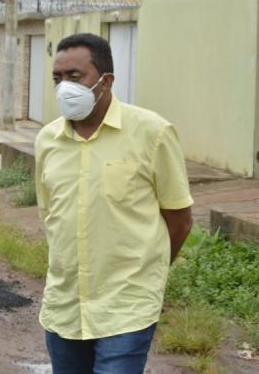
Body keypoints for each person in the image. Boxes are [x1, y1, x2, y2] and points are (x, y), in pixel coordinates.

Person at [35, 33, 193, 374]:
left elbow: (180, 220)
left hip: (127, 303)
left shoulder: (153, 132)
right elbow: (50, 215)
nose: (64, 86)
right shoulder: (47, 140)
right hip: (65, 304)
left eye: (75, 76)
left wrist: (146, 274)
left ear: (106, 81)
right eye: (57, 78)